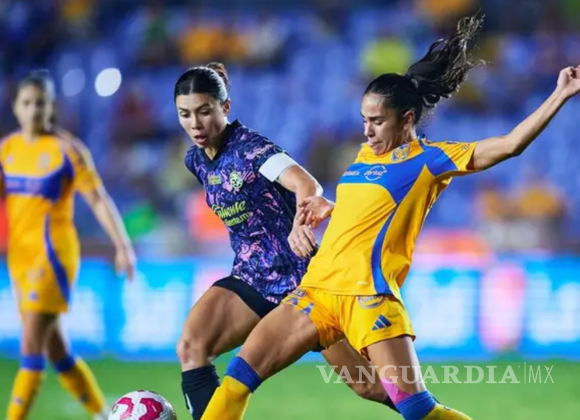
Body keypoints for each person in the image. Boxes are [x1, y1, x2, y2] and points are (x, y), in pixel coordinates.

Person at [199, 14, 580, 420]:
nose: (367, 131)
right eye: (365, 120)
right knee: (238, 378)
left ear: (407, 119)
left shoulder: (430, 160)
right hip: (317, 292)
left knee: (417, 410)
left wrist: (560, 94)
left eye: (377, 121)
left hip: (369, 300)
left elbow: (509, 145)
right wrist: (329, 208)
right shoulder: (366, 154)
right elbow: (367, 210)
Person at [175, 62, 403, 420]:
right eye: (185, 114)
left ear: (225, 107)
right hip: (252, 279)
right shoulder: (197, 160)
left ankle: (431, 413)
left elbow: (306, 183)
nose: (195, 124)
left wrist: (300, 224)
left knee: (370, 386)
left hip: (303, 283)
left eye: (204, 111)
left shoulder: (251, 150)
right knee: (192, 347)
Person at [3, 71, 136, 420]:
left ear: (51, 108)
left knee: (30, 346)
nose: (34, 110)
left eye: (41, 103)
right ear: (16, 107)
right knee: (57, 352)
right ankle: (103, 414)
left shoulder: (67, 150)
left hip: (52, 257)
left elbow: (98, 199)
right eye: (27, 103)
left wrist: (122, 245)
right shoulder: (7, 150)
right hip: (20, 258)